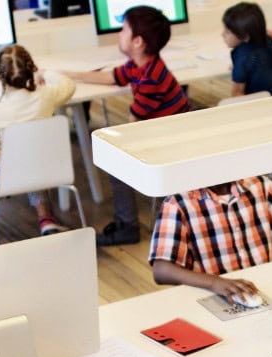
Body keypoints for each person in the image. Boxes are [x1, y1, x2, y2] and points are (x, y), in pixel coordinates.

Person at [65, 6, 192, 247]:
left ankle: (128, 225)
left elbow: (134, 125)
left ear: (138, 42)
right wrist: (68, 75)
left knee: (116, 161)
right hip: (166, 131)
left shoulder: (151, 78)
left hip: (170, 141)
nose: (118, 35)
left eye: (123, 30)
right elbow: (111, 77)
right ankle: (126, 221)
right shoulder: (143, 64)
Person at [0, 44, 77, 242]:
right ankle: (46, 218)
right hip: (46, 169)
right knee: (31, 154)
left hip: (7, 176)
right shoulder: (46, 96)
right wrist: (45, 73)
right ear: (32, 69)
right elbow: (69, 86)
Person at [147, 175, 272, 300]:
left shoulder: (262, 186)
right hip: (212, 295)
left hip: (263, 289)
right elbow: (161, 270)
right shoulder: (178, 203)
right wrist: (214, 282)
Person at [223, 2, 272, 98]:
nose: (223, 34)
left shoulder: (242, 55)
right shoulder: (269, 40)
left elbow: (237, 93)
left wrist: (239, 65)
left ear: (245, 37)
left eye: (227, 31)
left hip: (264, 104)